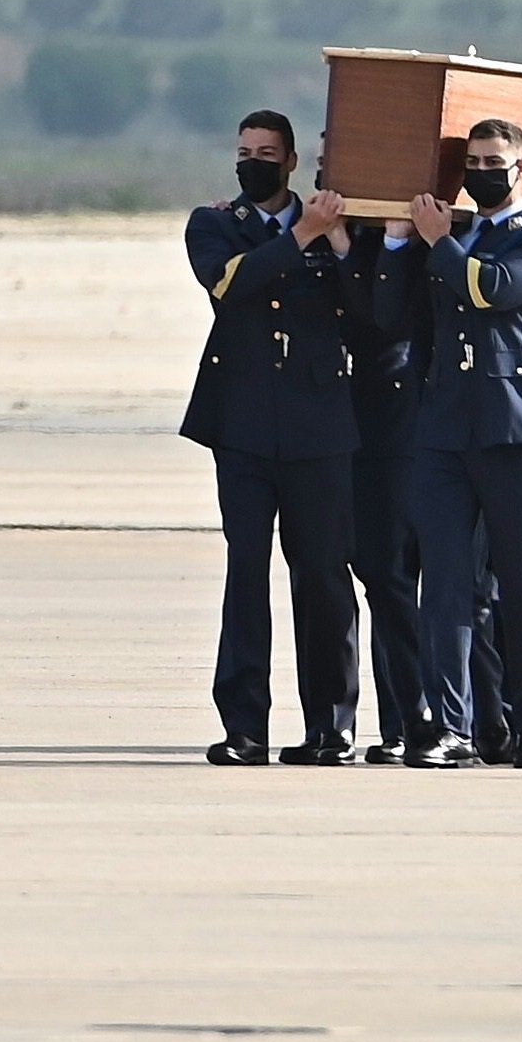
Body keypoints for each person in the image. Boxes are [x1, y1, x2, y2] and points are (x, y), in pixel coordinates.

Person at [377, 118, 522, 769]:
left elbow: (491, 291)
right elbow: (390, 317)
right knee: (447, 583)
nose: (483, 170)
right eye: (475, 159)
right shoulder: (448, 236)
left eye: (496, 160)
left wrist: (437, 243)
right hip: (444, 426)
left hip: (513, 424)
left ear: (520, 170)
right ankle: (449, 722)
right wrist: (402, 247)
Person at [182, 109, 360, 766]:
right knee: (245, 569)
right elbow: (229, 282)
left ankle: (329, 724)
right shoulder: (215, 222)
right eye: (243, 150)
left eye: (265, 151)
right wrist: (301, 236)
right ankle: (244, 725)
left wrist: (336, 242)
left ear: (291, 161)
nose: (252, 160)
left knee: (322, 575)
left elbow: (372, 308)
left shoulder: (335, 224)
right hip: (244, 423)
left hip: (320, 422)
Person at [341, 214, 428, 764]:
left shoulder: (447, 231)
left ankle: (447, 715)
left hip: (419, 416)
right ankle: (403, 717)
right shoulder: (340, 231)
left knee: (452, 583)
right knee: (385, 574)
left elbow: (388, 316)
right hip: (369, 428)